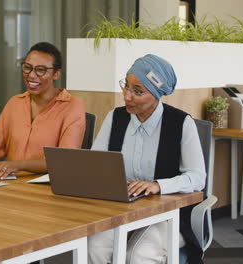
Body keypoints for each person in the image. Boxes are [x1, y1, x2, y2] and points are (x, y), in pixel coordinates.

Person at [88, 54, 206, 263]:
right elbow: (95, 163)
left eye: (137, 91)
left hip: (167, 212)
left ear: (157, 94)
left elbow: (197, 177)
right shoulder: (115, 118)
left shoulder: (181, 123)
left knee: (138, 256)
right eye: (126, 86)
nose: (127, 96)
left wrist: (158, 185)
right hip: (122, 208)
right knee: (95, 247)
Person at [0, 42, 86, 180]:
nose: (31, 75)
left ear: (56, 74)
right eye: (27, 68)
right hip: (12, 183)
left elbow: (63, 160)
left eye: (41, 70)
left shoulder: (73, 107)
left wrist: (18, 165)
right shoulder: (15, 103)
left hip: (49, 188)